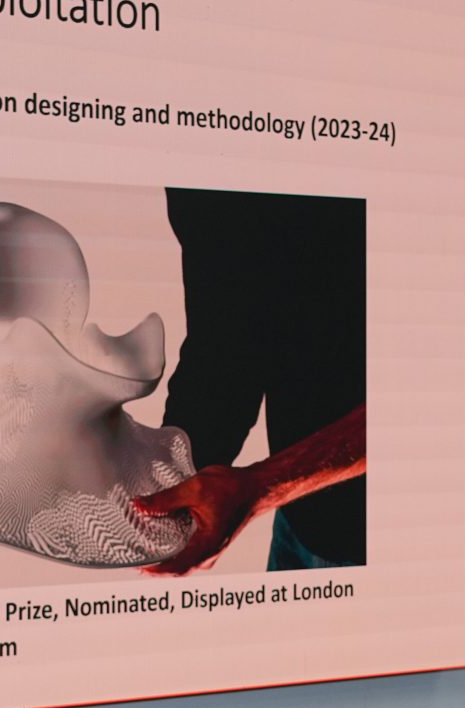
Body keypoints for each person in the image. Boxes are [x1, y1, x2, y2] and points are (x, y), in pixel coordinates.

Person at [132, 188, 365, 575]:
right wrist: (174, 479)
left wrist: (261, 486)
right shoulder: (203, 177)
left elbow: (419, 393)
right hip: (301, 520)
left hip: (386, 534)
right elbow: (228, 333)